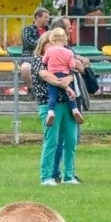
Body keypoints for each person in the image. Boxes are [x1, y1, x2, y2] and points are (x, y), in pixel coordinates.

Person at [33, 23, 83, 185]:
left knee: (70, 140)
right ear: (44, 45)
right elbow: (47, 76)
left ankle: (69, 175)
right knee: (51, 141)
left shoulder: (61, 56)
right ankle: (46, 176)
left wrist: (69, 77)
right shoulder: (38, 61)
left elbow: (75, 71)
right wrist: (67, 83)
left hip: (67, 104)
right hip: (48, 104)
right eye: (50, 43)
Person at [39, 27, 84, 127]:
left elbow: (44, 61)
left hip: (53, 76)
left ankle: (51, 112)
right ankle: (75, 110)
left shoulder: (50, 50)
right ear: (64, 39)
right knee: (70, 95)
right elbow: (72, 65)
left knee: (52, 96)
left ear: (52, 39)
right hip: (65, 76)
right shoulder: (69, 52)